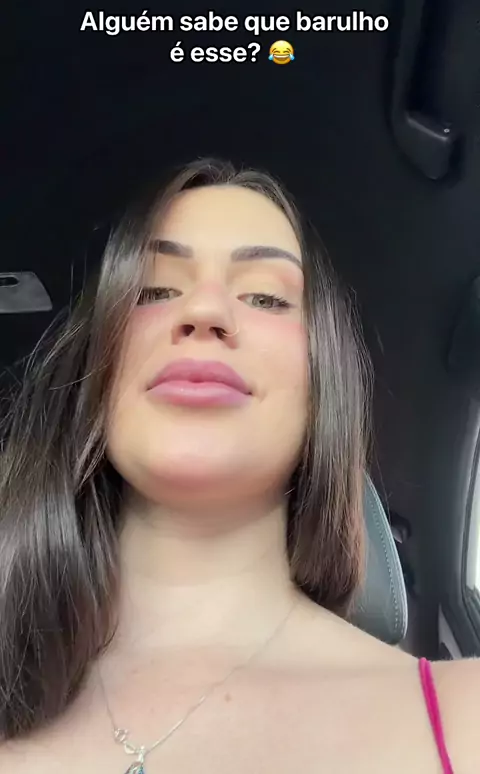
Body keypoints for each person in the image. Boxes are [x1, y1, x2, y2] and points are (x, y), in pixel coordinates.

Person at [0, 157, 477, 773]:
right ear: (97, 373)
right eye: (154, 290)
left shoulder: (464, 720)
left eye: (266, 298)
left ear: (322, 386)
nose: (204, 311)